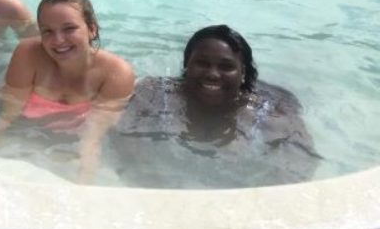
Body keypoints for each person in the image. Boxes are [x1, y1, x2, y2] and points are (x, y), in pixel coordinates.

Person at [110, 25, 320, 188]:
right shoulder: (154, 91)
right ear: (186, 65)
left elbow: (299, 162)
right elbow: (121, 136)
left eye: (226, 67)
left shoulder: (271, 108)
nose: (212, 73)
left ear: (243, 72)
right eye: (202, 63)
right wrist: (150, 180)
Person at [0, 0, 135, 184]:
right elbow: (8, 113)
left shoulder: (116, 73)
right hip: (25, 128)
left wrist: (84, 182)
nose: (58, 40)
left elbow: (93, 137)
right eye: (47, 31)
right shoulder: (27, 53)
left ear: (92, 29)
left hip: (71, 139)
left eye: (69, 29)